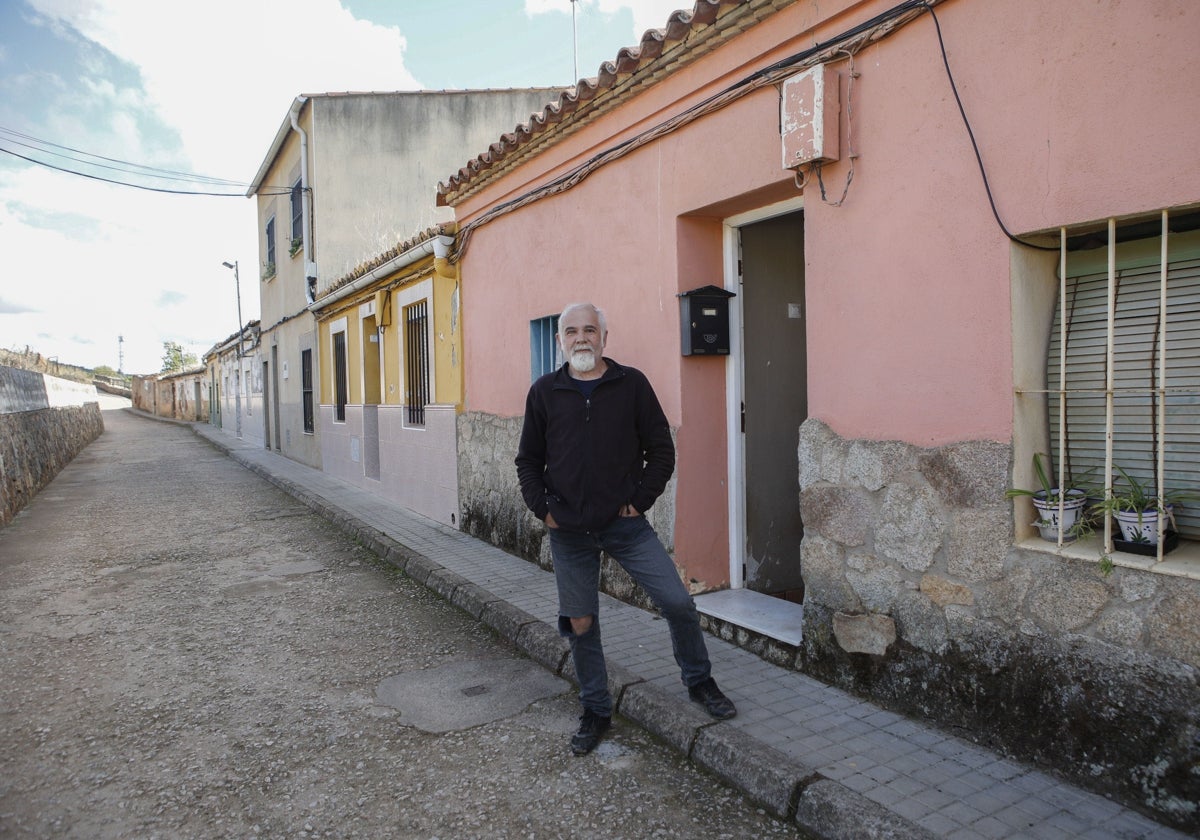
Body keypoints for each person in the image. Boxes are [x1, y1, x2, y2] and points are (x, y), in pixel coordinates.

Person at [515, 302, 736, 756]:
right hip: (569, 532)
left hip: (625, 526)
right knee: (581, 622)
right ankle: (596, 708)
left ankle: (699, 681)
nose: (581, 338)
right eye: (572, 331)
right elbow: (528, 462)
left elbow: (661, 450)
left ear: (604, 338)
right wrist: (544, 510)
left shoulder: (631, 385)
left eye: (590, 330)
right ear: (560, 341)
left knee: (677, 602)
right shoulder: (544, 392)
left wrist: (639, 501)